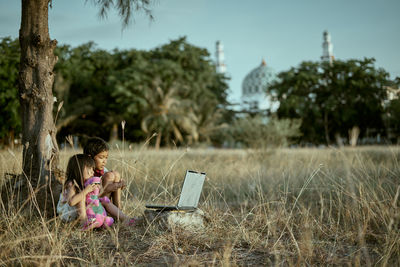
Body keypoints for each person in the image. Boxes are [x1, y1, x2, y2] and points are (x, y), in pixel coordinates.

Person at [57, 154, 135, 229]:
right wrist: (86, 191)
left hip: (81, 211)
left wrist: (117, 185)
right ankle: (84, 223)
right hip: (67, 214)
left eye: (92, 169)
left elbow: (97, 195)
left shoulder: (87, 182)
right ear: (79, 169)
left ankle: (125, 219)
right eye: (89, 168)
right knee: (81, 199)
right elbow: (71, 202)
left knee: (104, 200)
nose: (92, 172)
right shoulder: (71, 183)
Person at [83, 137, 125, 209]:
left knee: (116, 174)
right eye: (101, 157)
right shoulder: (85, 172)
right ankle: (106, 212)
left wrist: (119, 186)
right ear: (90, 157)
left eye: (106, 158)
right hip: (90, 206)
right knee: (109, 176)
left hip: (103, 200)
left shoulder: (103, 170)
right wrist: (106, 189)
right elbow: (88, 195)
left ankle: (118, 210)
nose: (104, 161)